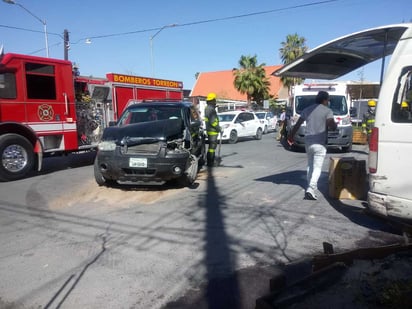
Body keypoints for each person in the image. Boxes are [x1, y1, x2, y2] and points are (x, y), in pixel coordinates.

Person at [288, 91, 337, 200]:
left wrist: (291, 136)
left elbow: (298, 124)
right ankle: (311, 188)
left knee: (310, 165)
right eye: (328, 100)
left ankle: (309, 187)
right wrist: (335, 125)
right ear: (325, 100)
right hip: (320, 143)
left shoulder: (307, 110)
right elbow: (331, 125)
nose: (328, 102)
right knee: (317, 167)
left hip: (308, 142)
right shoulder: (327, 111)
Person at [204, 92, 221, 167]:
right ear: (212, 100)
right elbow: (213, 122)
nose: (215, 101)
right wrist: (219, 128)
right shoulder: (211, 110)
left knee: (211, 147)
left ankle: (210, 161)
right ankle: (210, 162)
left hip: (210, 130)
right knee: (212, 147)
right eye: (214, 100)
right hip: (213, 131)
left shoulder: (208, 108)